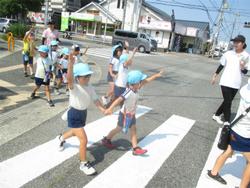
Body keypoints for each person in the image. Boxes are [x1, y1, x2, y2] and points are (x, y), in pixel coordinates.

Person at [57, 55, 105, 175]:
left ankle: (61, 138)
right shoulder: (74, 87)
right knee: (83, 140)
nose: (87, 78)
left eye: (88, 75)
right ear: (77, 78)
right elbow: (69, 79)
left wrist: (104, 110)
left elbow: (96, 100)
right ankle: (83, 164)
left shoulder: (89, 87)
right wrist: (70, 65)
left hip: (83, 113)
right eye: (85, 76)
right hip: (74, 113)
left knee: (74, 132)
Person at [102, 70, 163, 155]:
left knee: (133, 129)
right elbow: (119, 99)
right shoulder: (129, 92)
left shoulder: (136, 87)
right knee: (119, 128)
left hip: (131, 114)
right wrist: (110, 108)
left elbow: (147, 81)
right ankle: (106, 139)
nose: (142, 82)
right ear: (135, 83)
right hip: (124, 114)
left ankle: (135, 148)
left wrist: (156, 75)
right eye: (140, 81)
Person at [207, 79, 250, 188]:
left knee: (229, 151)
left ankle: (213, 172)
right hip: (244, 134)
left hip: (235, 128)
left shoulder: (246, 90)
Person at [211, 35, 250, 126]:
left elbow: (245, 72)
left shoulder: (246, 56)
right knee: (228, 101)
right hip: (225, 81)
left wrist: (242, 66)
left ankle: (216, 115)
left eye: (238, 42)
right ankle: (227, 121)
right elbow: (221, 65)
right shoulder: (228, 53)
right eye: (234, 42)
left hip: (236, 83)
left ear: (243, 43)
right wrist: (214, 76)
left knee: (227, 101)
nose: (235, 44)